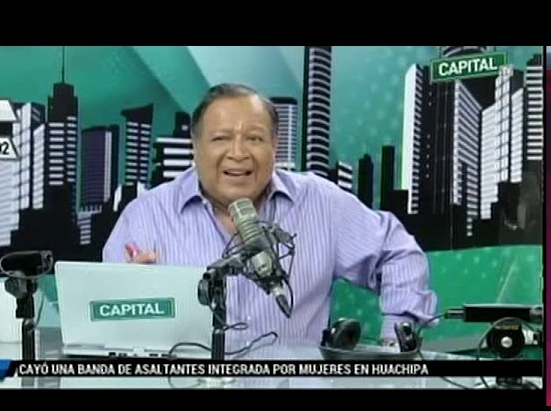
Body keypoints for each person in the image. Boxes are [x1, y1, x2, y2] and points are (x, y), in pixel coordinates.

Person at [103, 82, 438, 348]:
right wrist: (128, 304)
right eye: (221, 138)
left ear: (275, 145)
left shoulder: (320, 202)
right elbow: (103, 319)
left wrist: (396, 340)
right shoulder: (146, 217)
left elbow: (397, 254)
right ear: (196, 145)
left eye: (254, 138)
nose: (238, 153)